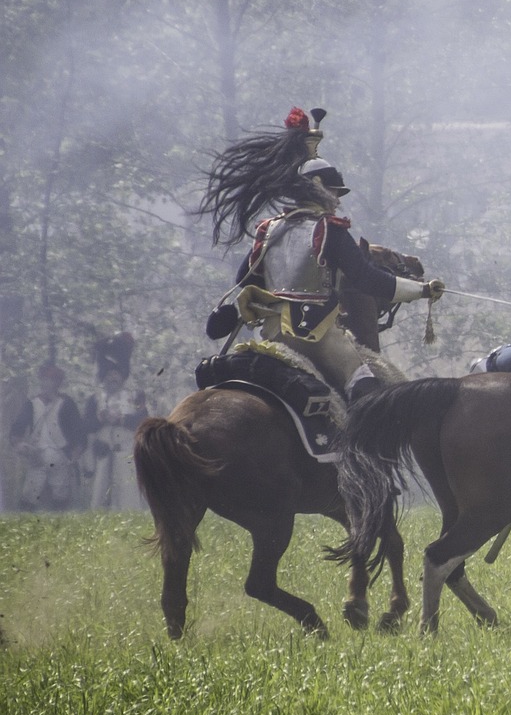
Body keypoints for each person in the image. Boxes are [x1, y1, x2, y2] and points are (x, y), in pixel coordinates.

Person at [199, 106, 445, 402]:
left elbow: (245, 279)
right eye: (335, 193)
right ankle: (359, 447)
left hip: (271, 334)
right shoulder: (329, 229)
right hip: (316, 337)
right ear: (318, 188)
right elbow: (366, 278)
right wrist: (422, 290)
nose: (337, 202)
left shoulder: (270, 229)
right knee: (368, 388)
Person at [83, 332, 148, 510]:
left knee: (129, 501)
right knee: (99, 500)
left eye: (116, 373)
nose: (113, 377)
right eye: (109, 373)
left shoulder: (135, 396)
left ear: (122, 375)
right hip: (102, 453)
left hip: (126, 453)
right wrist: (100, 419)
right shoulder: (95, 399)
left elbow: (143, 422)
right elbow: (86, 426)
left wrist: (121, 419)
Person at [9, 362, 86, 511]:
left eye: (52, 380)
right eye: (45, 379)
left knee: (61, 497)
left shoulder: (67, 404)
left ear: (57, 383)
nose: (48, 383)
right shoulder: (31, 404)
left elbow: (78, 432)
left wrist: (75, 454)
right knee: (29, 496)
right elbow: (16, 431)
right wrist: (22, 447)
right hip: (37, 455)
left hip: (61, 456)